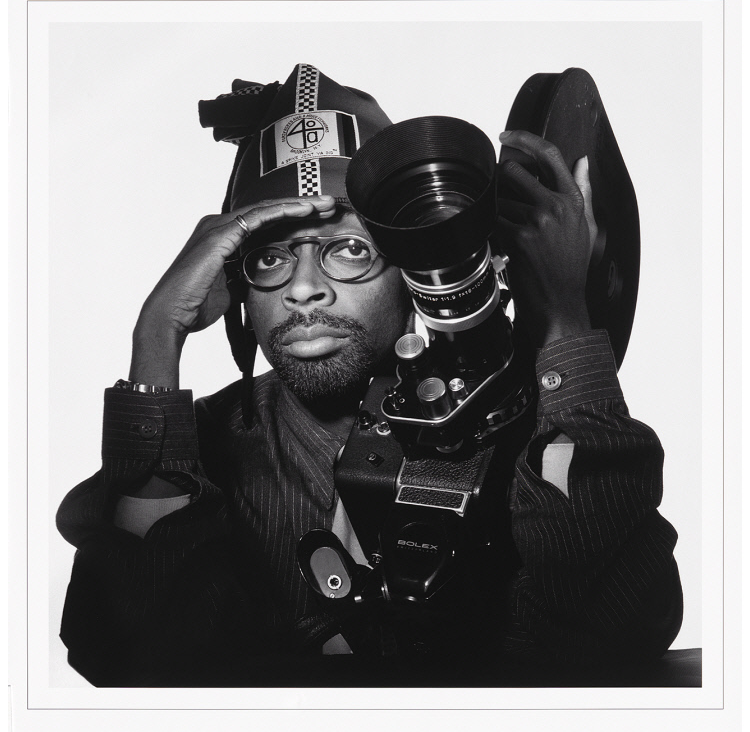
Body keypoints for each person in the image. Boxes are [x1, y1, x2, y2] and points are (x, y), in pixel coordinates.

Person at [56, 64, 683, 687]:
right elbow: (133, 658)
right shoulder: (201, 447)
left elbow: (609, 640)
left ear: (411, 264)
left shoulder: (522, 425)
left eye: (350, 249)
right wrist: (155, 340)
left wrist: (565, 321)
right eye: (270, 256)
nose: (303, 288)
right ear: (235, 287)